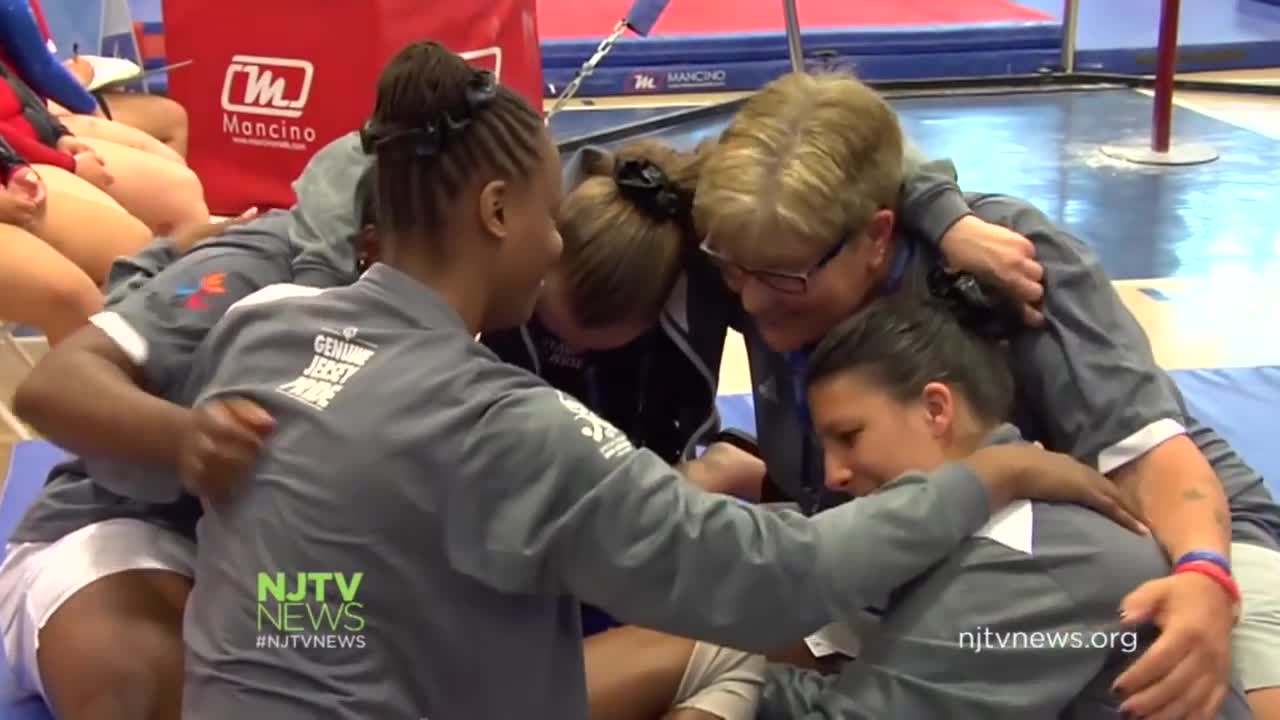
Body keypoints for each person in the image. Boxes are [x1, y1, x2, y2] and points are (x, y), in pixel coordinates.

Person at [168, 42, 1142, 720]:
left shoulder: (261, 328)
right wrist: (993, 476)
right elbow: (777, 581)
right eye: (551, 218)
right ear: (500, 211)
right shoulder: (503, 428)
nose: (558, 242)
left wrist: (935, 204)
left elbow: (792, 151)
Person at [692, 69, 1280, 720]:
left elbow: (1149, 454)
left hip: (1151, 531)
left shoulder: (1008, 263)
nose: (750, 298)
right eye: (732, 270)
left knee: (1212, 686)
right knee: (702, 650)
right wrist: (932, 203)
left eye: (784, 275)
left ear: (877, 236)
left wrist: (1204, 573)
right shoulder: (754, 236)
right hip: (939, 551)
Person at [0, 171, 376, 719]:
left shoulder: (509, 313)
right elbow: (52, 390)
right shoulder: (267, 261)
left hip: (305, 571)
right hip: (143, 534)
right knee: (144, 681)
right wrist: (187, 437)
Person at [0, 0, 207, 234]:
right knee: (173, 198)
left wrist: (60, 135)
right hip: (27, 139)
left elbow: (22, 82)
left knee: (178, 180)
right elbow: (41, 71)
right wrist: (69, 161)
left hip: (37, 122)